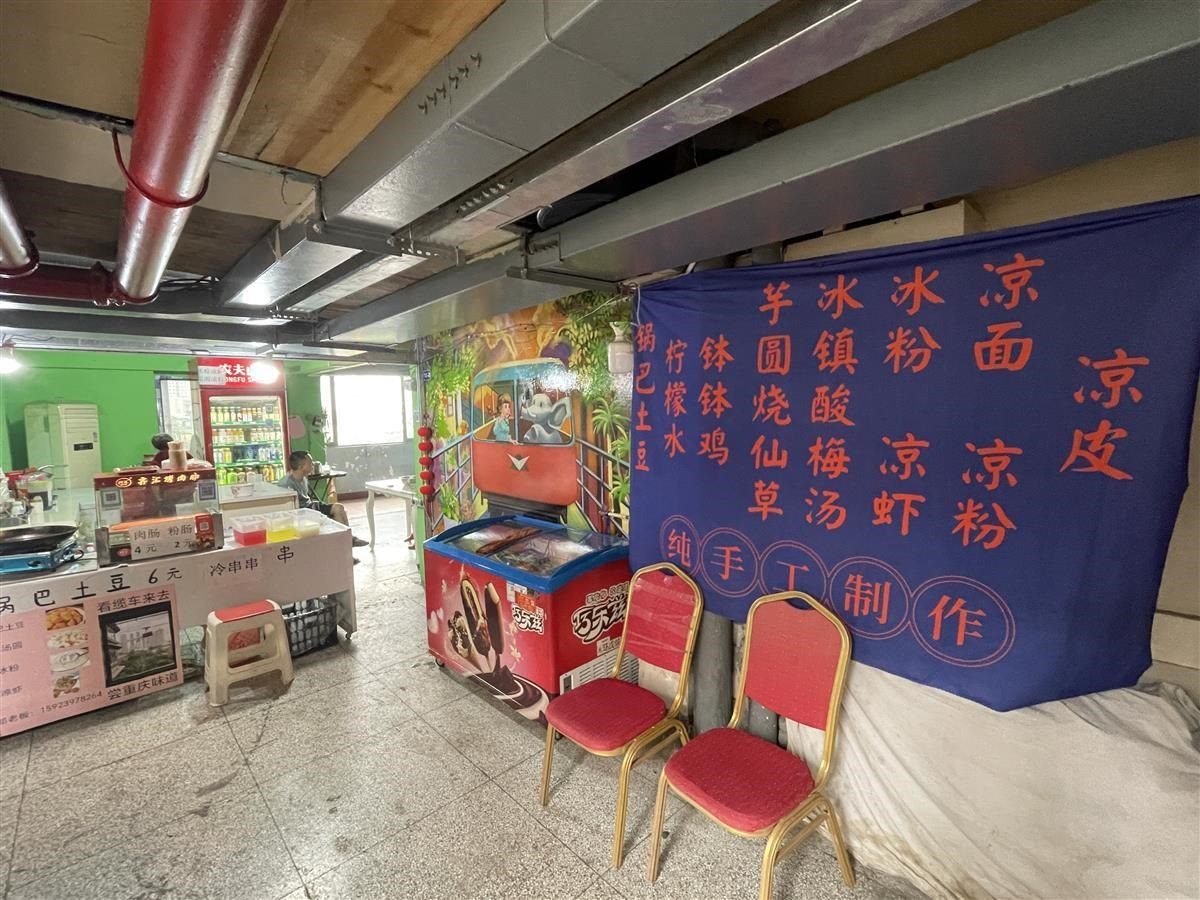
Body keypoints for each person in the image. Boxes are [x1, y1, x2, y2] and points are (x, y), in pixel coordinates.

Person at [279, 450, 368, 547]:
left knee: (339, 508)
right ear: (301, 467)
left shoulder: (303, 477)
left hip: (310, 506)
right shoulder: (286, 484)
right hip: (302, 512)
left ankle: (348, 539)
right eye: (310, 463)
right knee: (336, 513)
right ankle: (345, 542)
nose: (313, 465)